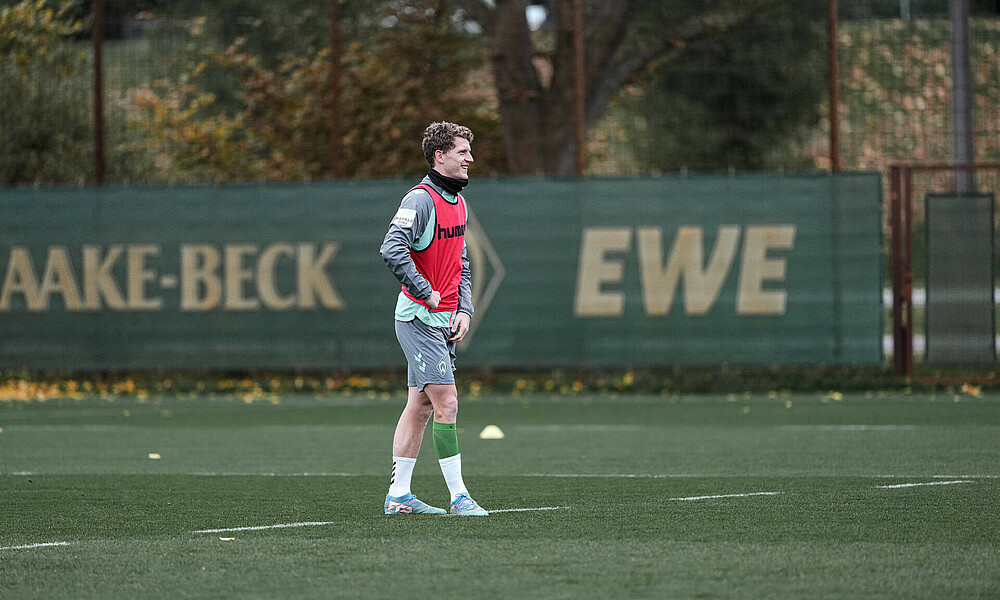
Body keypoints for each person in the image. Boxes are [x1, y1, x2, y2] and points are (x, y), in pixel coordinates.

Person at [378, 122, 488, 516]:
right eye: (462, 152)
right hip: (418, 319)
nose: (470, 158)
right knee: (448, 403)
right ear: (439, 156)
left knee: (421, 407)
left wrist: (465, 308)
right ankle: (459, 497)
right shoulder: (419, 200)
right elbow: (392, 249)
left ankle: (399, 496)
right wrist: (425, 291)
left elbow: (461, 263)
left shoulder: (458, 203)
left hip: (444, 320)